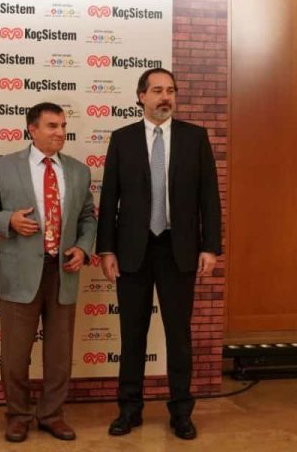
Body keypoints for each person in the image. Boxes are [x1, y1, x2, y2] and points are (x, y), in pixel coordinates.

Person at [96, 68, 222, 440]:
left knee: (178, 337)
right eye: (156, 90)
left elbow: (209, 197)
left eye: (170, 90)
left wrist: (210, 246)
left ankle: (181, 412)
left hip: (178, 250)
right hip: (132, 251)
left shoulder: (195, 138)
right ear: (141, 96)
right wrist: (106, 248)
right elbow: (109, 198)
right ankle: (129, 409)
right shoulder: (122, 139)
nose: (165, 97)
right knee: (132, 335)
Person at [0, 102, 97, 443]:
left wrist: (83, 248)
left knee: (59, 355)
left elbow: (88, 217)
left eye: (63, 126)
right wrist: (8, 220)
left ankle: (52, 415)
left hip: (63, 272)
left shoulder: (78, 171)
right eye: (52, 126)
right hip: (19, 274)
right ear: (32, 129)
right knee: (15, 355)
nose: (60, 132)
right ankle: (17, 416)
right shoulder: (4, 167)